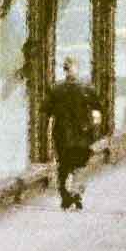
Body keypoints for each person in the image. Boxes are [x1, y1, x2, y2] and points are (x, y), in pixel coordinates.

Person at [37, 63, 101, 208]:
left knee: (64, 165)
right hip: (82, 135)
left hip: (62, 135)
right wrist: (94, 131)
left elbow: (46, 111)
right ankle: (75, 191)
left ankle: (66, 194)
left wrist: (48, 134)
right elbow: (97, 112)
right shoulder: (86, 89)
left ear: (65, 71)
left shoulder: (56, 89)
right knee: (80, 164)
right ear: (76, 71)